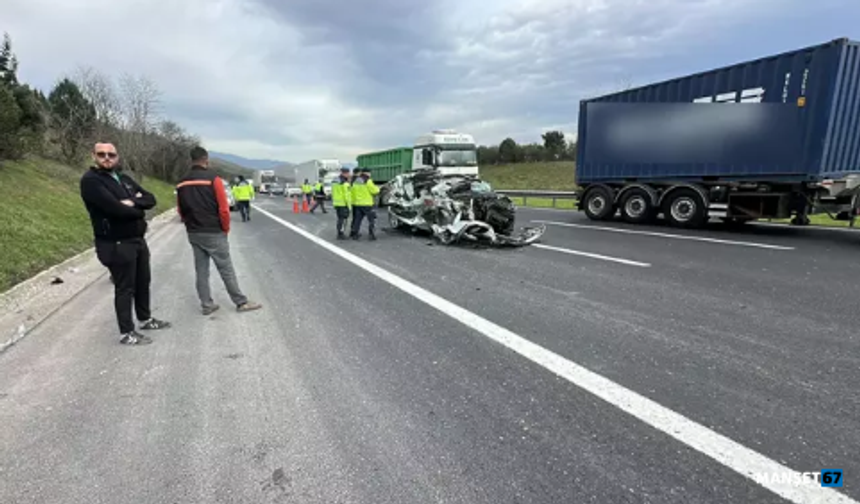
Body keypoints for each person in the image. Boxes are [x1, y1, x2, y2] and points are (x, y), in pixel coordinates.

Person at [79, 142, 171, 345]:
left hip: (137, 239)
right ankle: (126, 332)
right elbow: (115, 209)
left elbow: (151, 199)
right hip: (116, 243)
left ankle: (145, 319)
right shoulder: (91, 181)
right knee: (125, 288)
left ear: (117, 157)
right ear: (93, 156)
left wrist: (133, 202)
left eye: (111, 154)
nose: (107, 158)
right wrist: (138, 209)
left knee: (143, 282)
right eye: (101, 154)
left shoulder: (124, 179)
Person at [175, 146, 262, 315]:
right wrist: (225, 228)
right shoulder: (213, 179)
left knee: (201, 270)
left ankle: (206, 304)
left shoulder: (181, 182)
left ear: (191, 160)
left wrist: (189, 224)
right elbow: (223, 208)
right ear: (206, 159)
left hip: (194, 232)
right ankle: (240, 302)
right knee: (226, 268)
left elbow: (180, 209)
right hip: (213, 231)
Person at [350, 167, 379, 240]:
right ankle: (371, 234)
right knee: (371, 220)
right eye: (369, 172)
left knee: (357, 220)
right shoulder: (368, 181)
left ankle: (355, 234)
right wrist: (378, 188)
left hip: (357, 204)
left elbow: (352, 192)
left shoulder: (356, 181)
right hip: (367, 204)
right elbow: (375, 191)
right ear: (367, 173)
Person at [331, 167, 352, 239]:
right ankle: (341, 234)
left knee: (340, 219)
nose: (349, 175)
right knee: (343, 220)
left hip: (337, 203)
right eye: (348, 173)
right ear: (345, 173)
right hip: (343, 204)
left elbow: (333, 192)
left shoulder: (335, 181)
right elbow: (347, 195)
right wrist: (349, 206)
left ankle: (339, 232)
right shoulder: (345, 183)